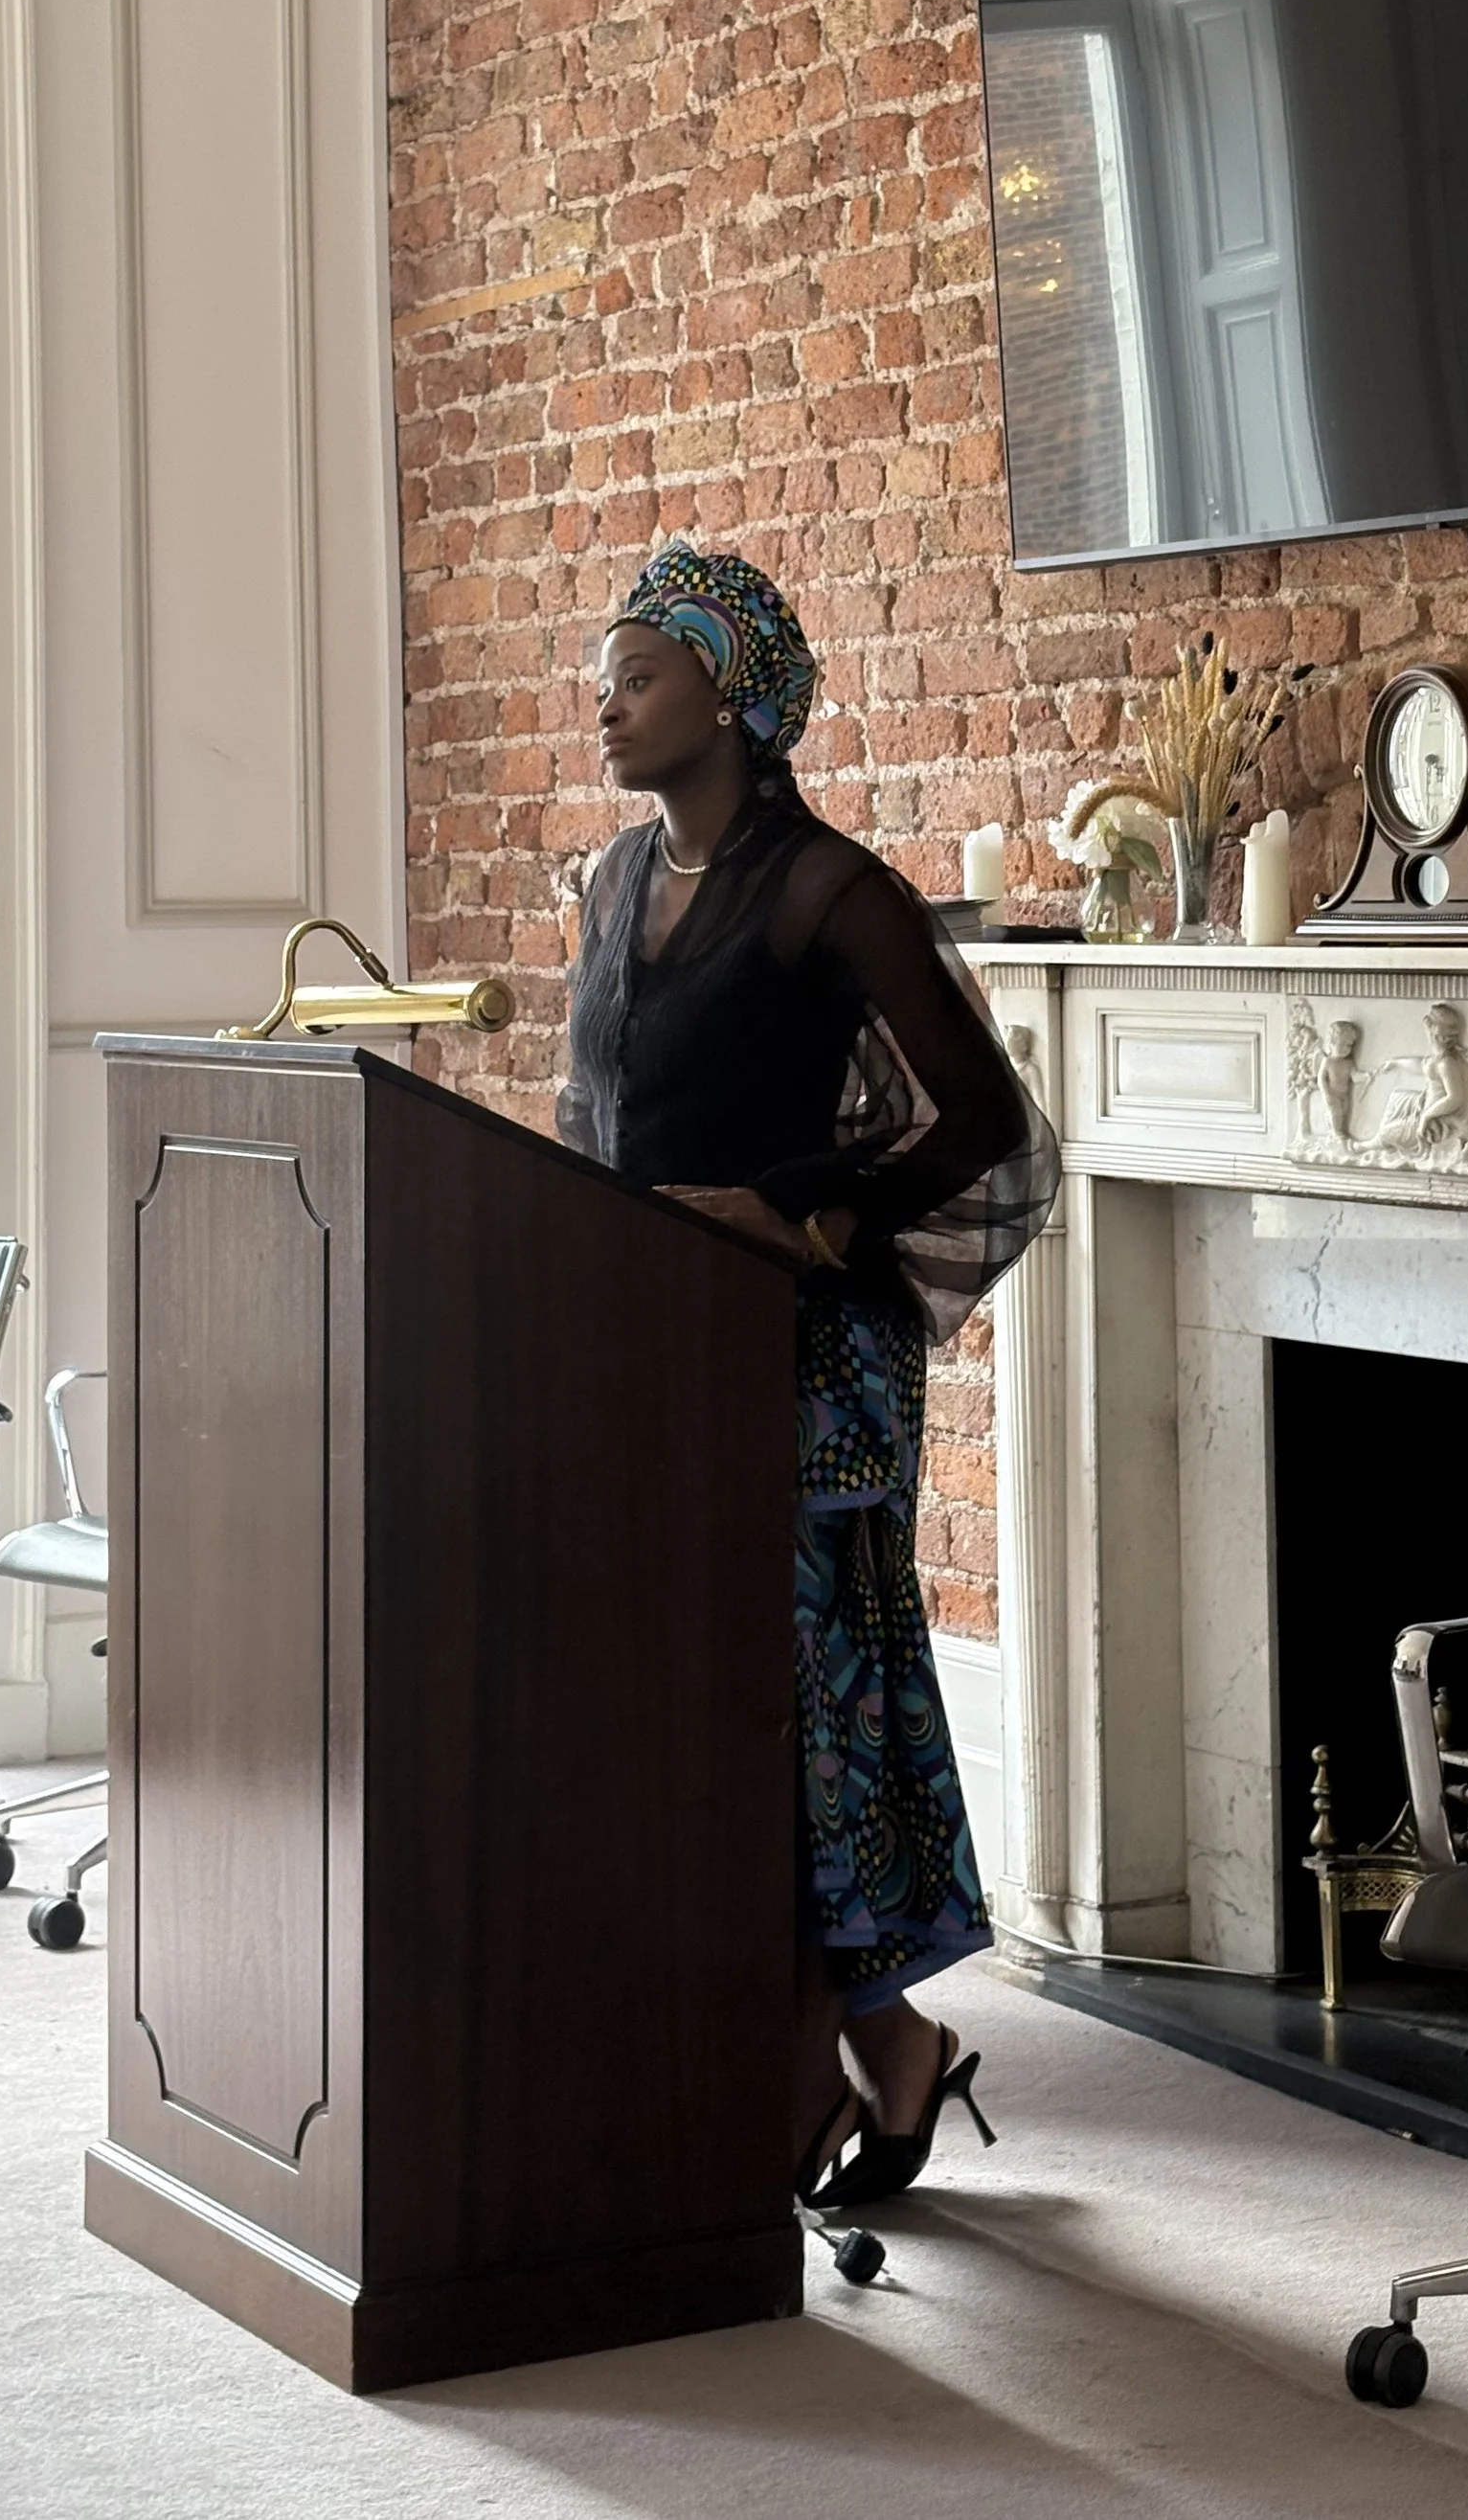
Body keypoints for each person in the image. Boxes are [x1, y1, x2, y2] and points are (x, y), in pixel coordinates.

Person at [558, 540, 1058, 2213]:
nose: (606, 703)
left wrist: (812, 1216)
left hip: (806, 1365)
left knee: (815, 1717)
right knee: (691, 1708)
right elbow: (605, 1120)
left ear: (728, 695)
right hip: (650, 1342)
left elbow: (985, 1123)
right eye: (605, 677)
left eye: (638, 674)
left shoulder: (833, 890)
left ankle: (885, 2033)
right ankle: (795, 2047)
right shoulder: (619, 883)